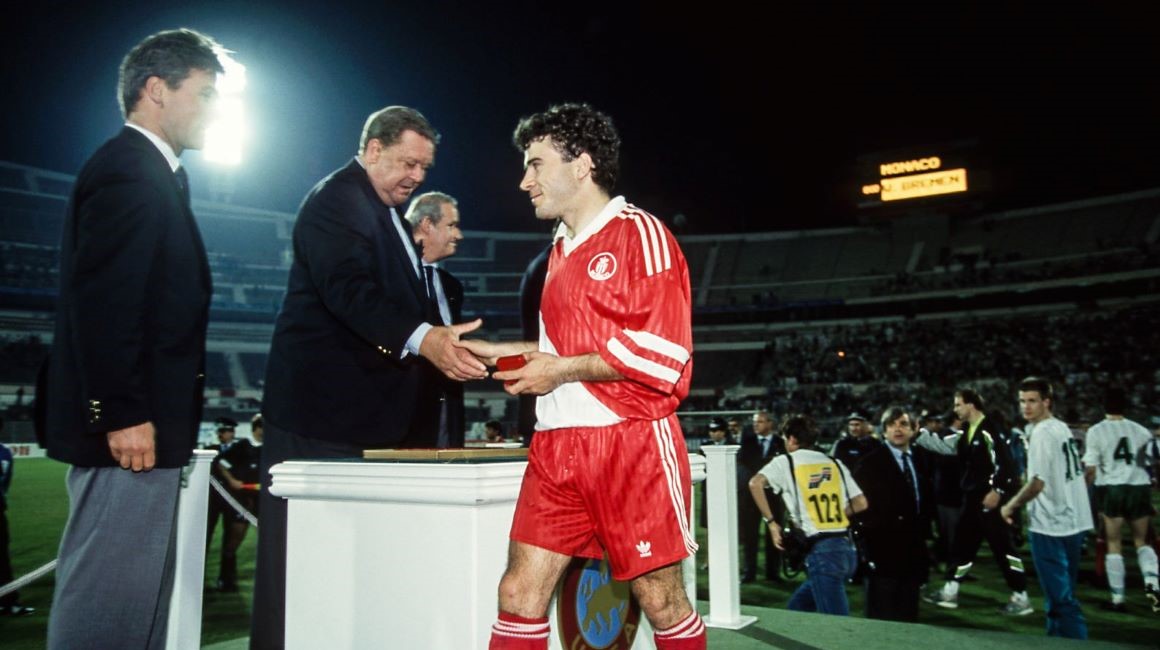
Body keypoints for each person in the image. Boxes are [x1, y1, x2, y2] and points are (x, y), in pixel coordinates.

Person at [457, 103, 704, 648]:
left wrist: (559, 369)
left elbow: (666, 354)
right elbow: (560, 351)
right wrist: (499, 353)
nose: (525, 182)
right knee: (518, 592)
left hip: (629, 444)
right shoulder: (559, 249)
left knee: (661, 599)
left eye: (536, 164)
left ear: (582, 164)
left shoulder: (642, 234)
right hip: (555, 447)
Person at [252, 105, 487, 649]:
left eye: (424, 168)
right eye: (408, 162)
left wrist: (446, 344)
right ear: (374, 149)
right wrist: (425, 338)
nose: (416, 177)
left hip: (357, 423)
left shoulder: (382, 212)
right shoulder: (338, 200)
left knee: (345, 574)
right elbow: (349, 292)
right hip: (319, 421)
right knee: (299, 570)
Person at [39, 28, 226, 649]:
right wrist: (120, 412)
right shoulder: (129, 171)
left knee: (137, 599)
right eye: (204, 94)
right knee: (108, 600)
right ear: (156, 89)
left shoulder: (153, 173)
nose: (214, 110)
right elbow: (105, 303)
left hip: (144, 428)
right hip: (128, 434)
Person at [919, 388, 1031, 615]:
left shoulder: (989, 430)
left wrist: (997, 490)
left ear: (971, 405)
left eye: (958, 404)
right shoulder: (968, 431)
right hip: (972, 500)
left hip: (989, 501)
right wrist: (918, 435)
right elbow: (945, 446)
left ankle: (1021, 596)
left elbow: (1006, 464)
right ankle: (951, 590)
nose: (955, 409)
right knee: (963, 546)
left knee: (1004, 548)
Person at [1001, 377, 1093, 639]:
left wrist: (1010, 506)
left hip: (1051, 523)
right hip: (1073, 521)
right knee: (1061, 596)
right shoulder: (1061, 427)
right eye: (1022, 401)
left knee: (1061, 600)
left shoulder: (1041, 433)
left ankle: (1076, 641)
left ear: (1046, 402)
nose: (1026, 407)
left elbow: (1037, 483)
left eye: (1032, 401)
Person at [749, 414, 867, 616]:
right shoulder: (834, 462)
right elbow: (860, 502)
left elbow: (755, 483)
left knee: (838, 625)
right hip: (846, 549)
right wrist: (832, 515)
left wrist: (772, 523)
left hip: (822, 552)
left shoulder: (786, 462)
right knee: (795, 611)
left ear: (792, 439)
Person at [1082, 386, 1159, 612]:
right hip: (1138, 487)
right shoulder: (1141, 430)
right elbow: (1152, 462)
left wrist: (1082, 492)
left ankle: (1118, 599)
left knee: (1113, 543)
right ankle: (1154, 589)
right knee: (1142, 541)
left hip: (1112, 488)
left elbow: (1091, 469)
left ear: (1103, 405)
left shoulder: (1096, 431)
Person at [853, 407, 933, 621]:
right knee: (881, 617)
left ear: (914, 429)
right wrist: (867, 545)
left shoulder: (921, 459)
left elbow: (923, 503)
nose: (898, 429)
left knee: (908, 617)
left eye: (903, 424)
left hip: (913, 552)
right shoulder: (870, 463)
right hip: (882, 552)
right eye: (891, 425)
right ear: (884, 431)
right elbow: (857, 507)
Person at [406, 191, 467, 448]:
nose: (459, 235)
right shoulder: (392, 277)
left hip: (446, 415)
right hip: (402, 419)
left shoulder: (452, 287)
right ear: (426, 224)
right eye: (451, 225)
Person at [204, 417, 253, 592]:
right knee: (204, 538)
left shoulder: (242, 450)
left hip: (233, 499)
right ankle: (199, 579)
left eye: (228, 431)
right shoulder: (209, 450)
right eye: (222, 431)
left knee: (230, 542)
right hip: (212, 500)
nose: (225, 434)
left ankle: (227, 581)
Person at [738, 410, 785, 582]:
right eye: (754, 422)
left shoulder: (781, 443)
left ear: (770, 423)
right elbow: (743, 464)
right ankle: (749, 572)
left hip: (774, 496)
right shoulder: (747, 442)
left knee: (775, 533)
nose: (755, 425)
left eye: (760, 422)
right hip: (751, 497)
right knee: (750, 536)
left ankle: (773, 573)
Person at [0, 417, 34, 616]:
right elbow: (5, 485)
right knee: (2, 561)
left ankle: (8, 602)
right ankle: (8, 602)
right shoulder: (5, 452)